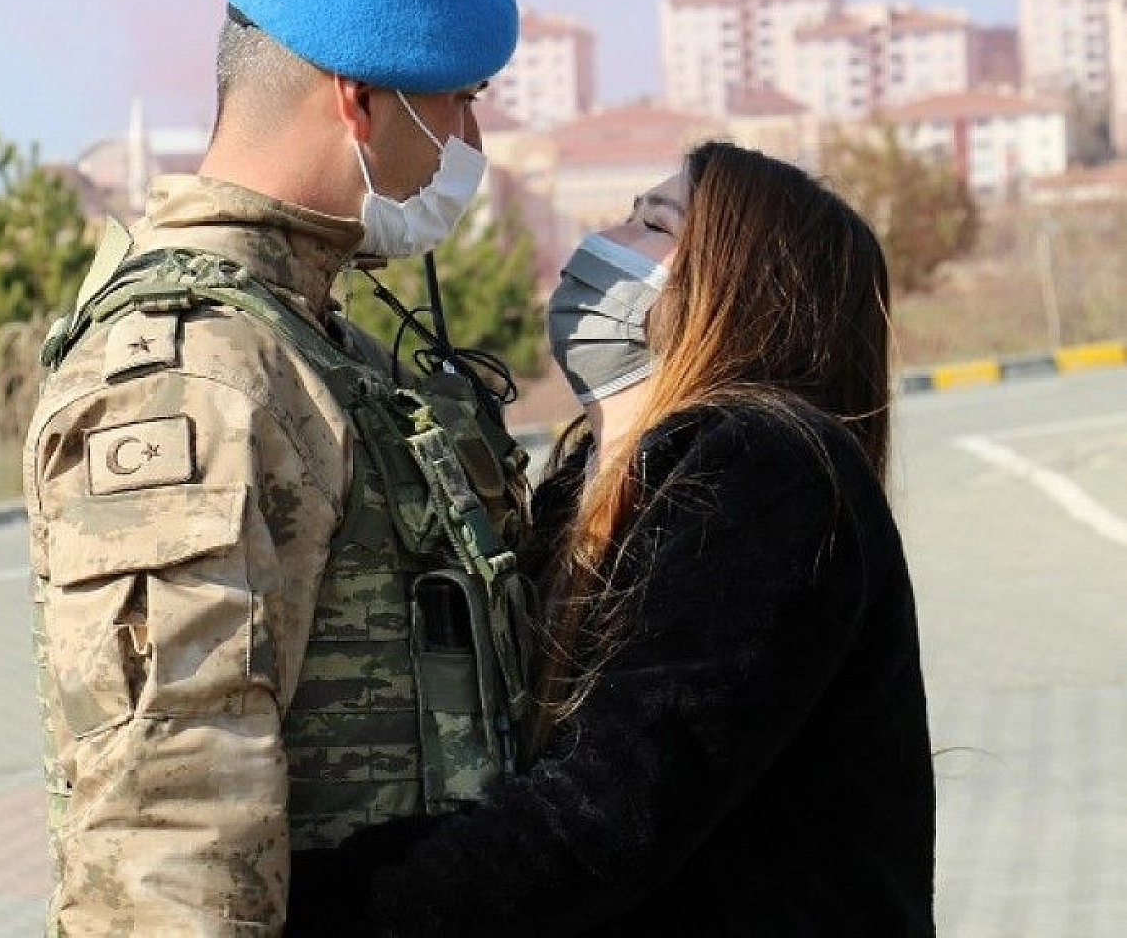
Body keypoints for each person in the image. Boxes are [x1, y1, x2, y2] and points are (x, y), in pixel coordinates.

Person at [24, 0, 533, 936]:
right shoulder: (190, 370)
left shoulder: (310, 339)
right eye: (456, 104)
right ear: (357, 101)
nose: (470, 139)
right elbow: (167, 814)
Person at [292, 141, 936, 935]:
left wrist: (296, 906)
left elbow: (605, 817)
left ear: (738, 289)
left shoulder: (769, 469)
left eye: (652, 222)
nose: (606, 238)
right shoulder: (587, 487)